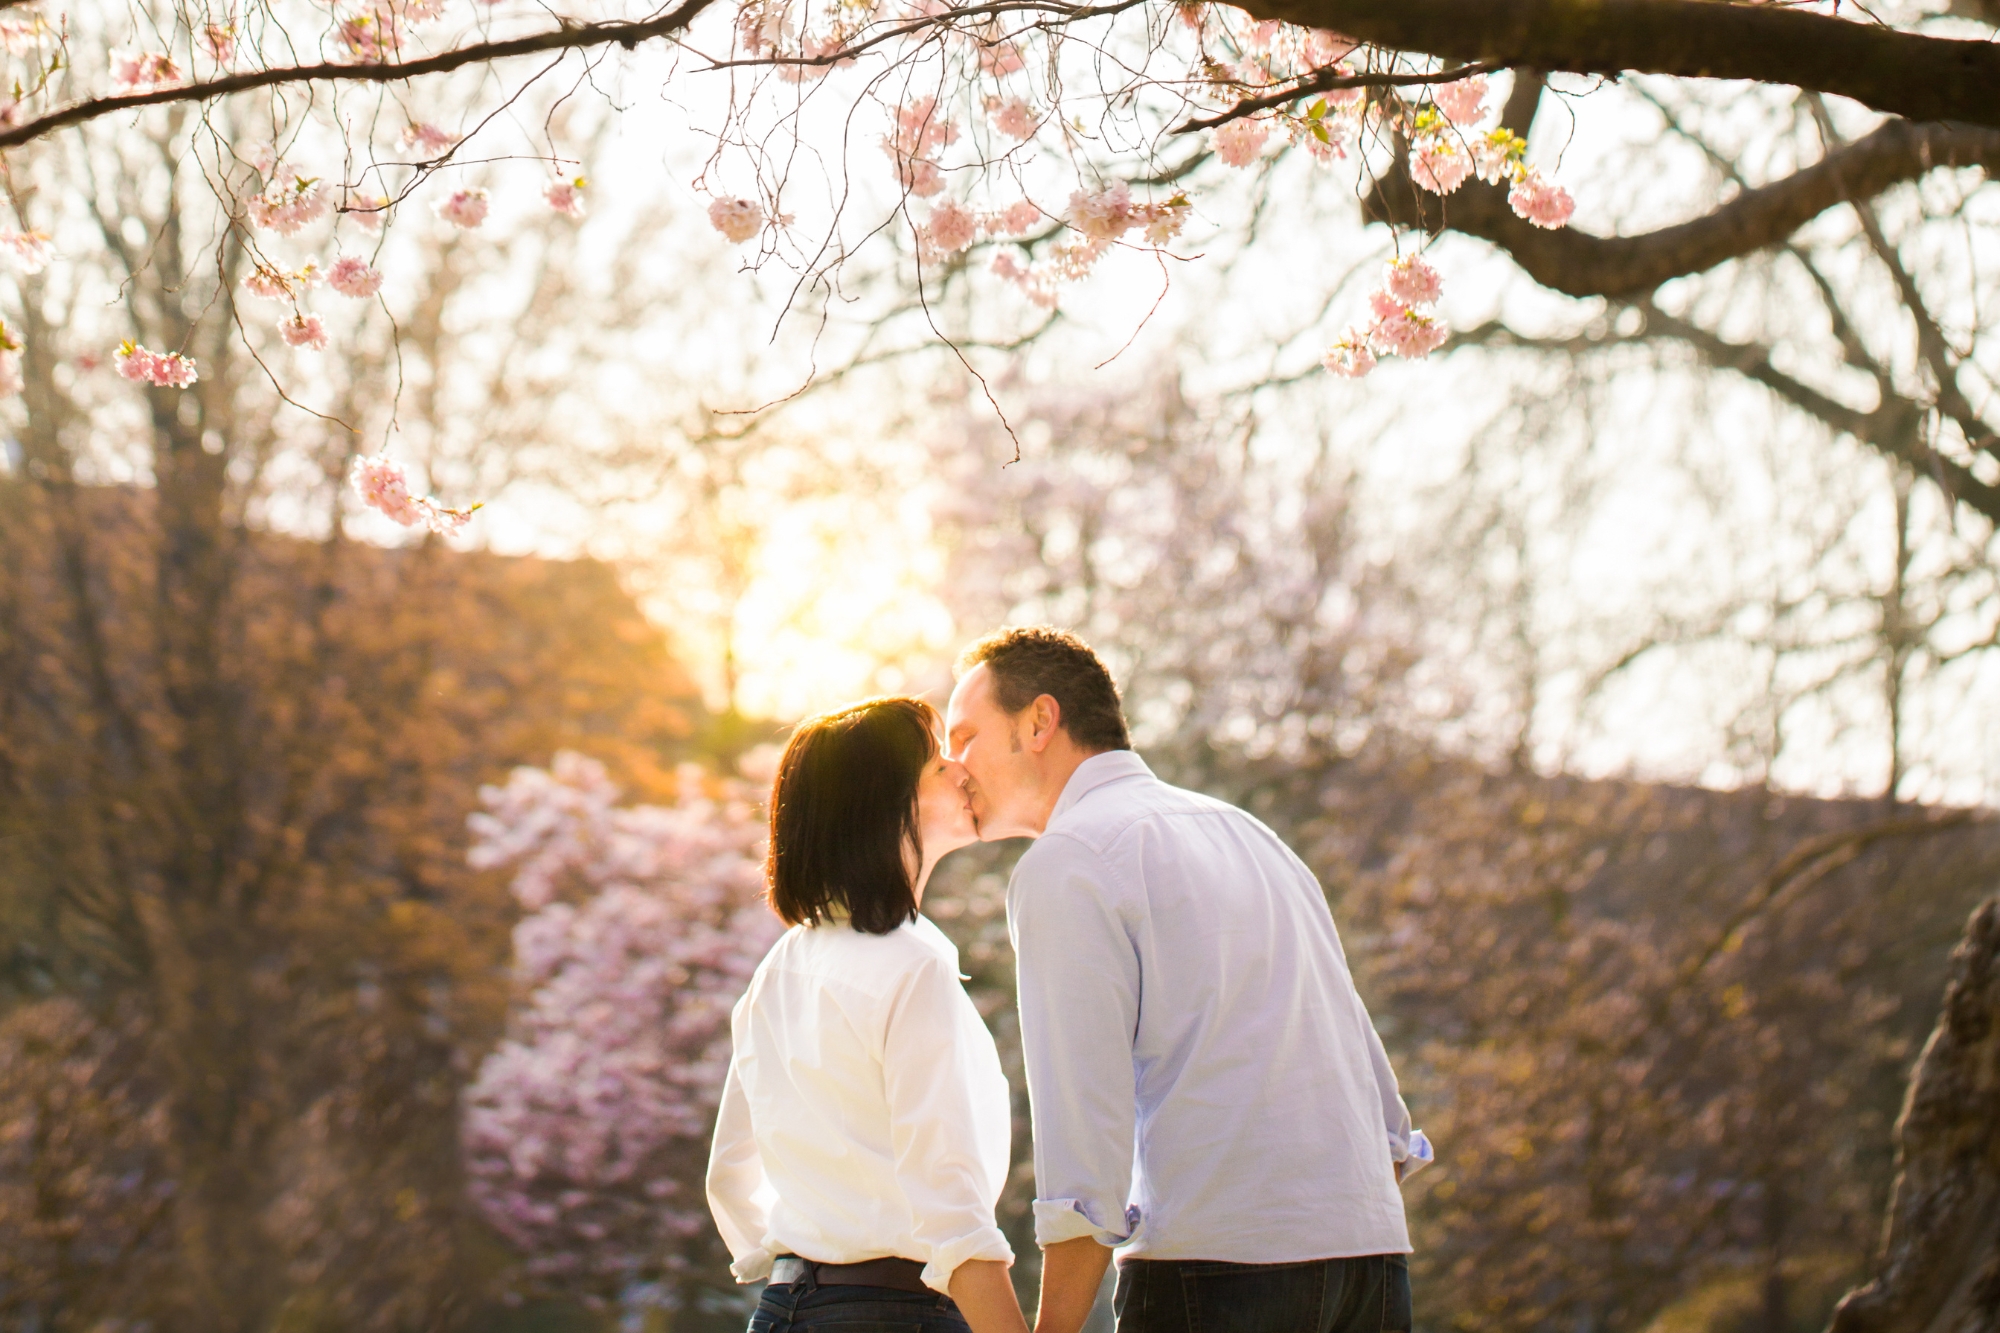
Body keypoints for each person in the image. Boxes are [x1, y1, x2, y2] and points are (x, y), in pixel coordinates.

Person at [945, 628, 1432, 1333]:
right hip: (1371, 1263)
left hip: (1218, 1277)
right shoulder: (1254, 837)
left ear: (1040, 720)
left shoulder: (1068, 861)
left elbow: (1084, 1134)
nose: (954, 765)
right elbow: (1384, 1114)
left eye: (965, 736)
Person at [707, 697, 1032, 1333]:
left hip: (785, 1310)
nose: (961, 768)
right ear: (885, 804)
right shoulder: (913, 968)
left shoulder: (780, 967)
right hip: (894, 1311)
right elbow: (952, 1209)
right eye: (938, 763)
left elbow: (732, 1168)